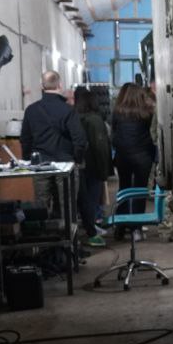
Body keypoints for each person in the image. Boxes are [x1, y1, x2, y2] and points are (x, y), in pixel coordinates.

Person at [20, 71, 87, 216]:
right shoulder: (68, 110)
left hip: (40, 165)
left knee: (41, 207)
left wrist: (28, 160)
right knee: (67, 207)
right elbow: (80, 140)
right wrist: (76, 160)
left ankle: (44, 229)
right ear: (60, 85)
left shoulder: (31, 110)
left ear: (41, 86)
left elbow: (25, 139)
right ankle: (66, 229)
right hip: (65, 163)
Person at [111, 83, 156, 224]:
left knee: (123, 188)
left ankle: (121, 223)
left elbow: (114, 133)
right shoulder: (147, 112)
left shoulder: (117, 112)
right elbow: (150, 132)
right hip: (143, 156)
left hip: (123, 156)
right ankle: (137, 227)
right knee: (140, 190)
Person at [73, 87, 111, 247]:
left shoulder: (75, 117)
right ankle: (92, 229)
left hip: (80, 164)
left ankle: (89, 227)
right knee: (92, 199)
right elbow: (100, 147)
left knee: (84, 199)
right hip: (94, 166)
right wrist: (105, 170)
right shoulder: (95, 120)